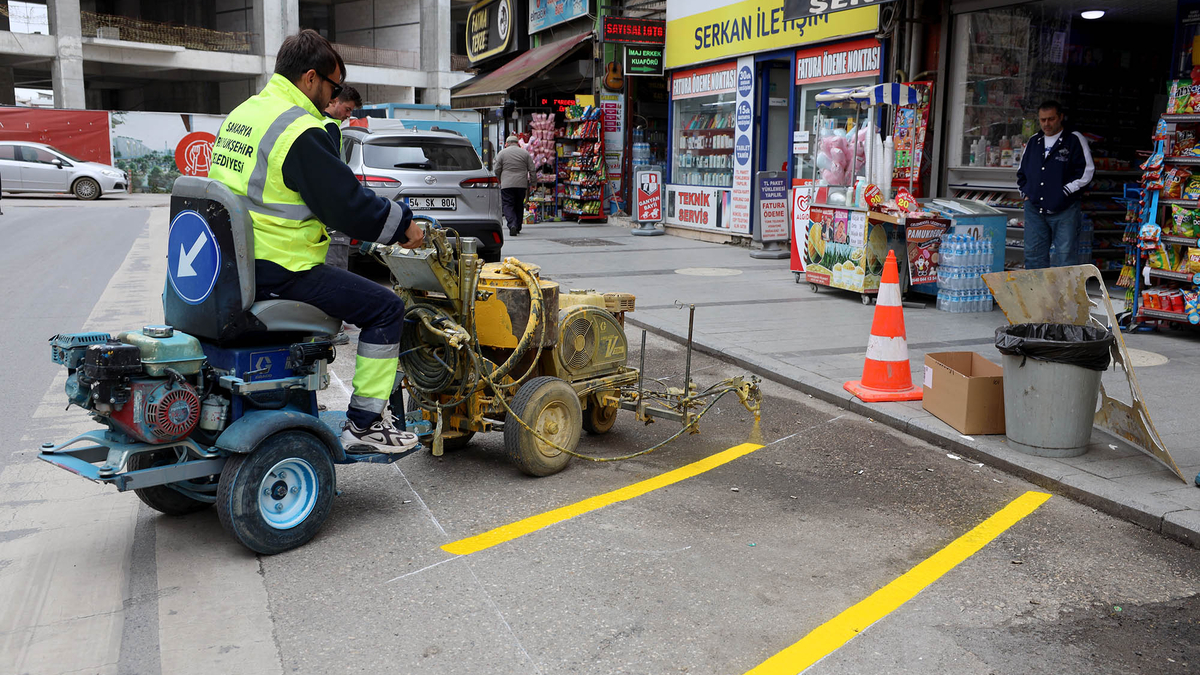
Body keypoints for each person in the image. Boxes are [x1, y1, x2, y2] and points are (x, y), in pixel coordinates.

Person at [207, 29, 424, 452]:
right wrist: (405, 226)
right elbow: (347, 206)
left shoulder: (245, 113)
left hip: (233, 263)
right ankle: (365, 427)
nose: (334, 97)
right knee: (385, 308)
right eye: (334, 86)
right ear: (310, 78)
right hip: (279, 268)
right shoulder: (298, 129)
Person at [1016, 100, 1094, 269]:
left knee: (1065, 257)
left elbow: (1087, 171)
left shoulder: (1074, 139)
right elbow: (1021, 172)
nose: (1046, 124)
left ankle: (1064, 296)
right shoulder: (1033, 141)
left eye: (1051, 119)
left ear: (1060, 117)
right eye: (1042, 120)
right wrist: (1026, 193)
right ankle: (1036, 295)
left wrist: (1065, 191)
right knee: (1033, 256)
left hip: (1064, 209)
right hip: (1035, 209)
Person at [320, 84, 363, 346]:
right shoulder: (329, 127)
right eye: (347, 109)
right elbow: (334, 172)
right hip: (332, 215)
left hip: (324, 213)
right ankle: (330, 328)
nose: (347, 115)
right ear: (334, 101)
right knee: (335, 267)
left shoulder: (316, 121)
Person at [493, 135, 534, 236]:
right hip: (521, 184)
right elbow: (532, 169)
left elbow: (496, 169)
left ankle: (512, 224)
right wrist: (533, 183)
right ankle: (518, 226)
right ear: (518, 143)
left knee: (508, 204)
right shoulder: (525, 153)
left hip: (506, 184)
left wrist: (498, 180)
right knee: (519, 204)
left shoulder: (502, 153)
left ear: (506, 144)